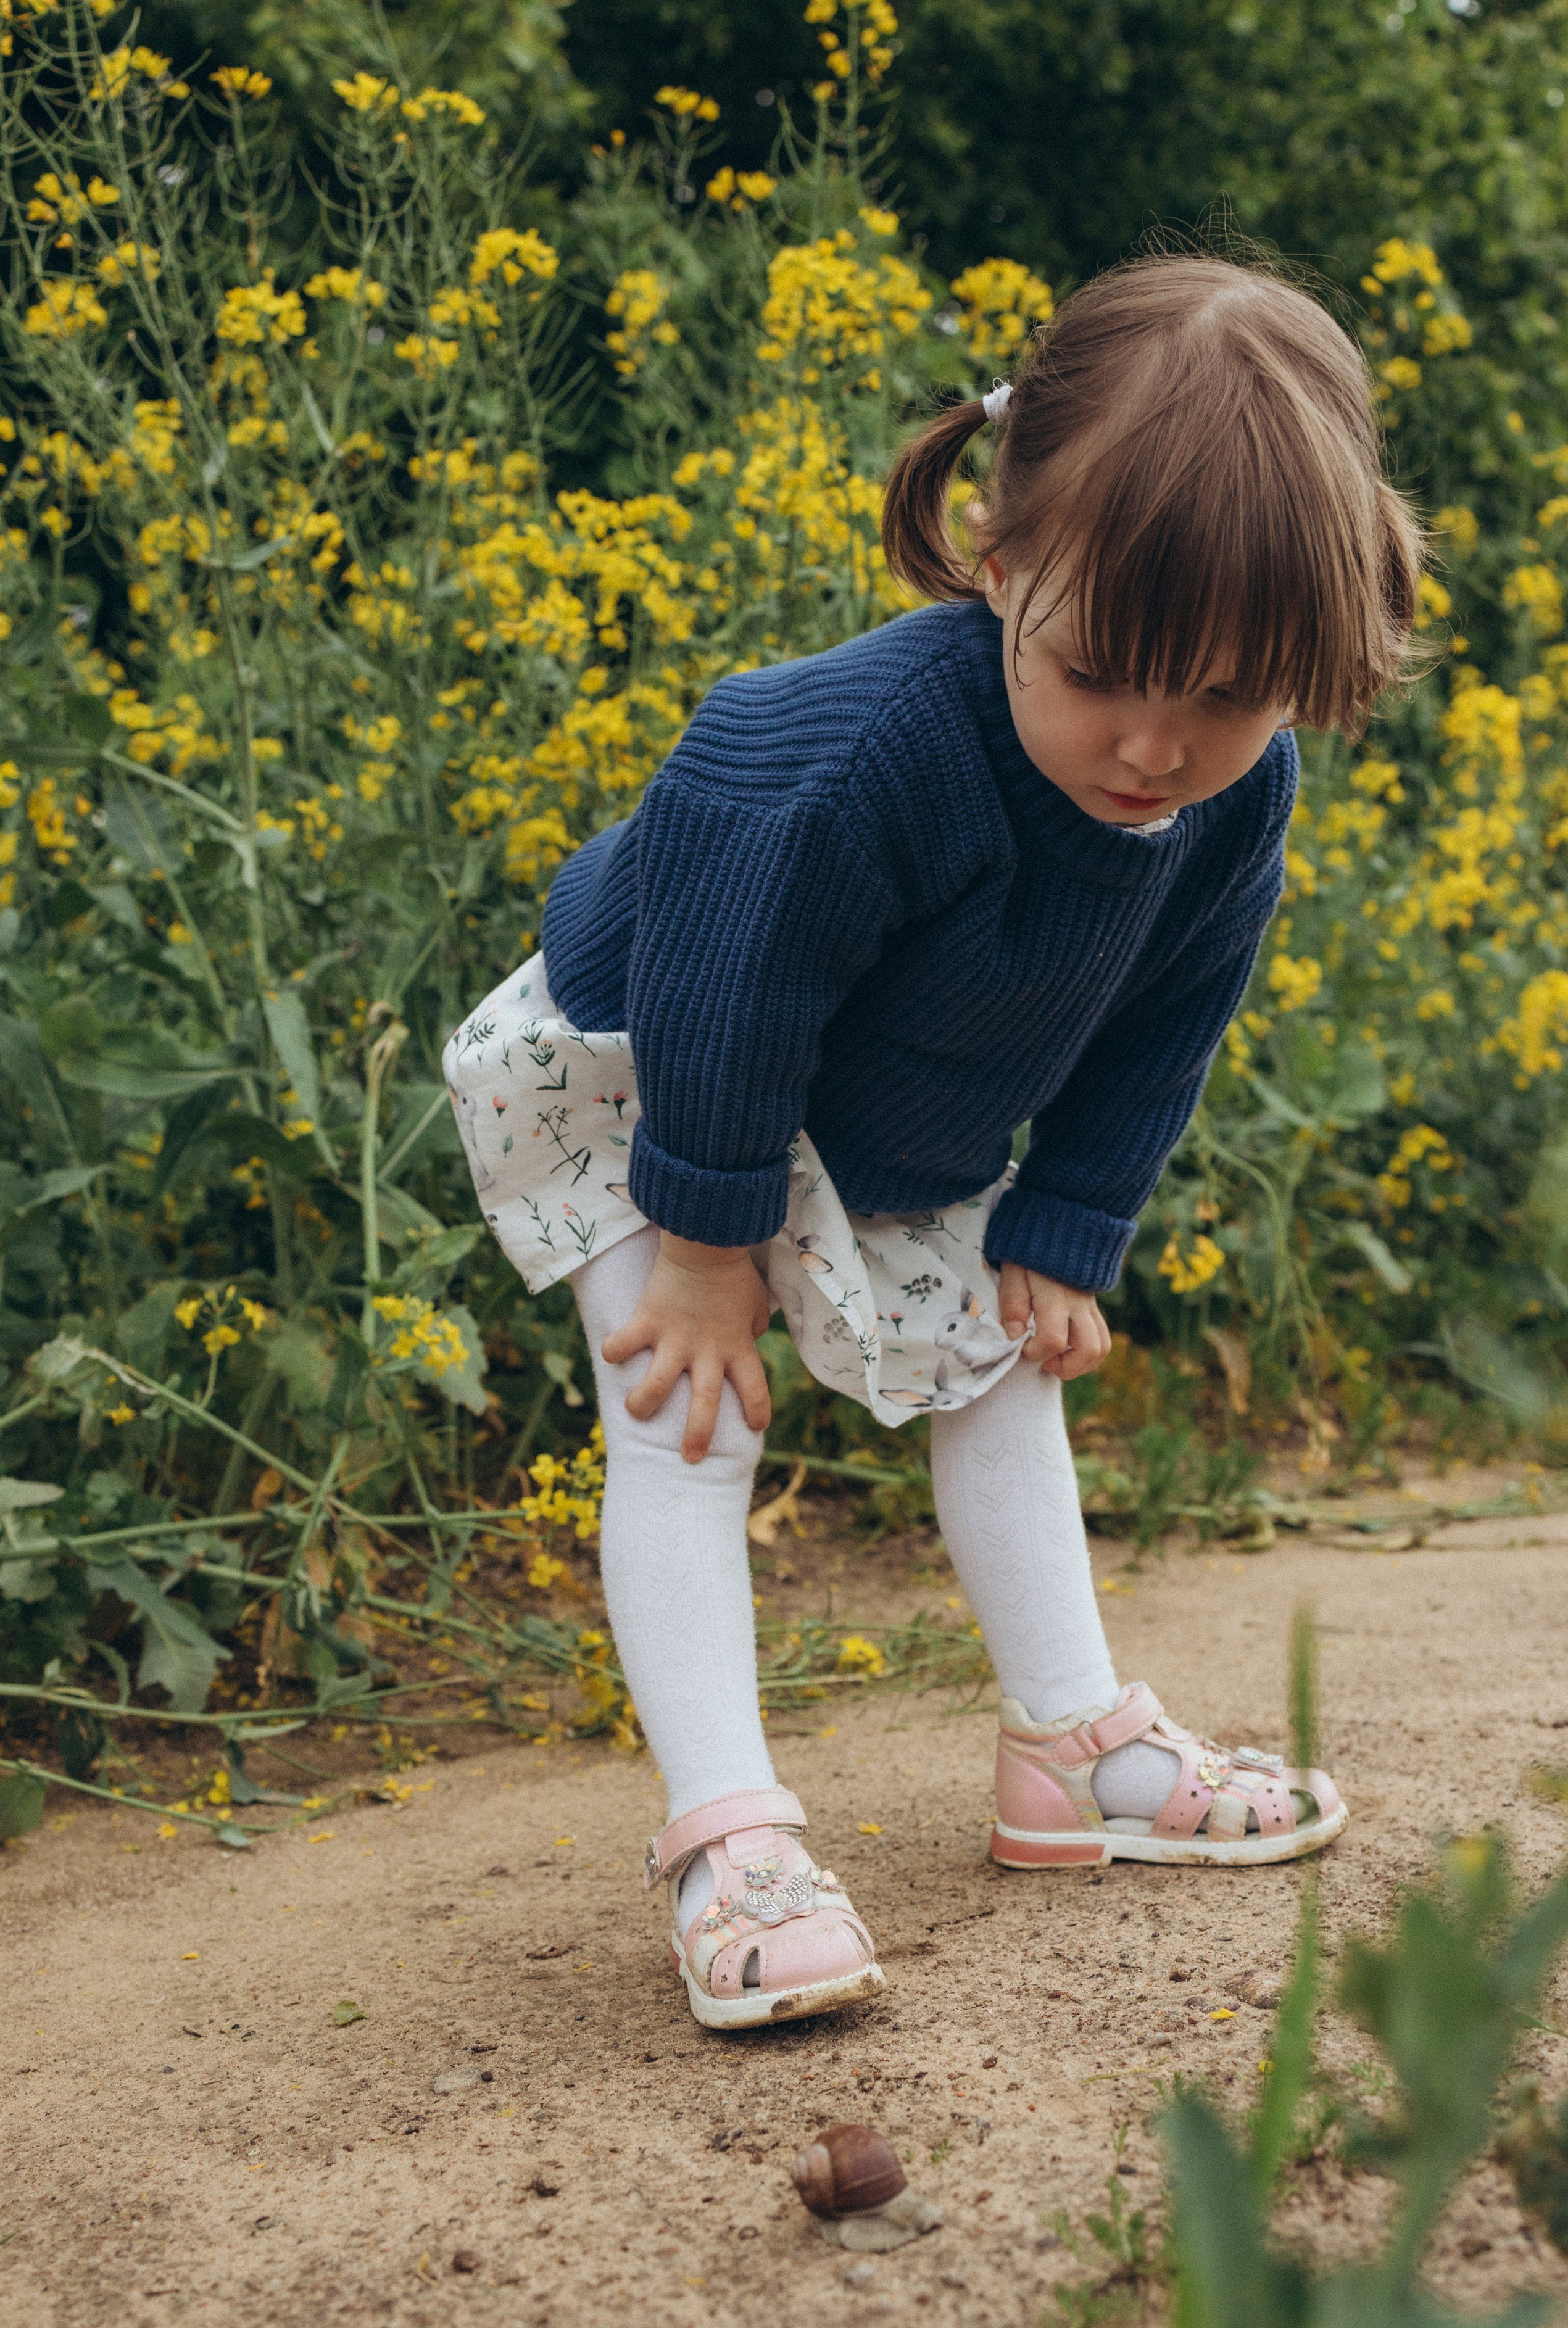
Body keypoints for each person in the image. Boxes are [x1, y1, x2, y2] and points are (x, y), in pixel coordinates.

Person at [445, 251, 1422, 2031]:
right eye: (1108, 672)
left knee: (1002, 1367)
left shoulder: (1231, 795)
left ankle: (1073, 1751)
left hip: (881, 1095)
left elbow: (1164, 1019)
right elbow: (729, 1000)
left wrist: (1068, 1219)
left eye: (1229, 699)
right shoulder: (834, 762)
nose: (1156, 744)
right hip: (660, 1061)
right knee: (687, 1414)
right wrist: (714, 1254)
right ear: (997, 554)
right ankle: (727, 1840)